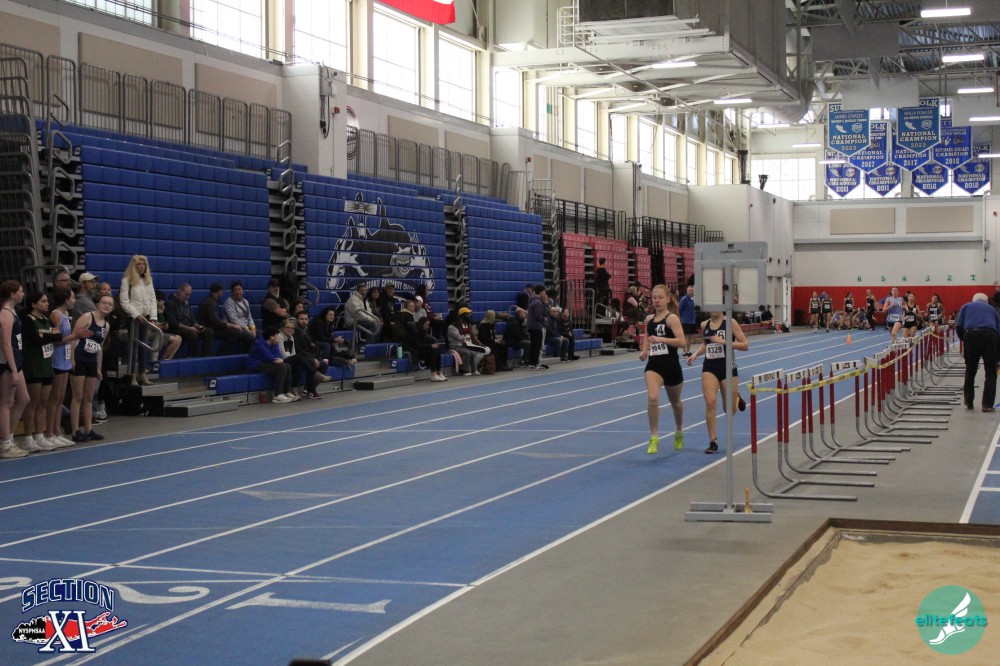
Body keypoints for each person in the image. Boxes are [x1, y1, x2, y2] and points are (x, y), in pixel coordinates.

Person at [687, 309, 749, 454]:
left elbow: (745, 345)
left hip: (728, 368)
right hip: (710, 367)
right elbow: (706, 343)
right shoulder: (704, 324)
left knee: (729, 410)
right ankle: (713, 441)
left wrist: (724, 341)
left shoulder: (730, 322)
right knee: (710, 402)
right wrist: (695, 354)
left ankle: (737, 398)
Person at [640, 285, 687, 454]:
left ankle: (679, 430)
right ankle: (654, 436)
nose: (657, 300)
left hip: (671, 366)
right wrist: (645, 350)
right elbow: (647, 336)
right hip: (654, 366)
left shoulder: (671, 318)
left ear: (668, 299)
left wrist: (662, 339)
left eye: (660, 297)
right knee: (653, 398)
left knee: (676, 403)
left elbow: (682, 342)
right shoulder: (649, 319)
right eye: (654, 297)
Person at [19, 292, 66, 451]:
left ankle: (40, 435)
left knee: (44, 402)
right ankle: (28, 438)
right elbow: (35, 339)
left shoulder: (46, 319)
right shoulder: (28, 320)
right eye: (43, 301)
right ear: (34, 304)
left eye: (47, 301)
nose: (47, 304)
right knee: (33, 402)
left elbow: (58, 336)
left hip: (46, 365)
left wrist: (45, 335)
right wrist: (49, 335)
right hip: (34, 364)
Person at [46, 287, 89, 447]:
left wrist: (71, 358)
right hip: (56, 358)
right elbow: (55, 340)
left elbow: (69, 340)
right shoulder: (56, 315)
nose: (74, 300)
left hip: (64, 359)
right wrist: (75, 336)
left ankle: (57, 431)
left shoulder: (65, 314)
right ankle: (50, 433)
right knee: (54, 398)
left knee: (60, 398)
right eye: (72, 298)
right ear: (65, 300)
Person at [69, 293, 113, 443]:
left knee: (89, 397)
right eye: (104, 303)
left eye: (109, 304)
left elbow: (99, 348)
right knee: (77, 396)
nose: (106, 306)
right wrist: (71, 359)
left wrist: (98, 368)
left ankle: (88, 429)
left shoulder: (106, 326)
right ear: (98, 305)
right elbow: (73, 337)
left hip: (91, 361)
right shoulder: (87, 317)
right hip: (79, 359)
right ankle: (75, 431)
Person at [0, 281, 32, 458]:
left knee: (24, 399)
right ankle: (5, 444)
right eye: (20, 291)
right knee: (6, 402)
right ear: (12, 294)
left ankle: (9, 438)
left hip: (16, 361)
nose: (23, 294)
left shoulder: (13, 312)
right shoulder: (5, 314)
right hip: (7, 363)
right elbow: (6, 343)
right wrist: (13, 370)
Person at [955, 293, 1000, 412]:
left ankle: (969, 402)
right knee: (991, 372)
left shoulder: (966, 306)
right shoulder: (992, 309)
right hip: (990, 335)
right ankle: (987, 405)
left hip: (971, 335)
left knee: (970, 370)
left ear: (973, 300)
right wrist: (997, 358)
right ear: (986, 302)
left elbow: (958, 326)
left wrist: (964, 339)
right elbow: (998, 332)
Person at [119, 254, 158, 385]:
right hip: (133, 318)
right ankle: (132, 375)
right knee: (134, 347)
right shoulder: (127, 280)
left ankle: (142, 373)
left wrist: (153, 317)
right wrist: (136, 314)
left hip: (145, 318)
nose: (141, 267)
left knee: (143, 346)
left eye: (143, 264)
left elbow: (153, 300)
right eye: (138, 264)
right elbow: (124, 301)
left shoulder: (148, 281)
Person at [199, 282, 253, 354]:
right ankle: (221, 353)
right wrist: (231, 325)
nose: (222, 293)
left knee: (248, 333)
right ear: (219, 291)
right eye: (221, 291)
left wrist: (253, 328)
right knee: (236, 333)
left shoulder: (210, 301)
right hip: (211, 329)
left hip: (211, 328)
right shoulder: (211, 303)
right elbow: (216, 322)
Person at [248, 326, 297, 403]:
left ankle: (286, 392)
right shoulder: (260, 344)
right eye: (277, 335)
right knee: (282, 367)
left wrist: (277, 359)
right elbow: (272, 359)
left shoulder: (274, 343)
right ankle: (278, 395)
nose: (279, 337)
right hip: (257, 365)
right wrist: (277, 360)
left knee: (287, 365)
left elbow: (278, 357)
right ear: (272, 337)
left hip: (267, 363)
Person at [165, 283, 214, 357]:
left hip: (187, 326)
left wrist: (197, 325)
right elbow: (172, 322)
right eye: (186, 294)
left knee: (209, 332)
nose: (188, 297)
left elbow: (191, 317)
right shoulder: (170, 303)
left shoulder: (186, 303)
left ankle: (205, 357)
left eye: (189, 295)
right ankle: (192, 356)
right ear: (180, 291)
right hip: (176, 328)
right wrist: (189, 328)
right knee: (192, 333)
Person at [447, 307, 488, 375]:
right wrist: (465, 337)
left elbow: (472, 337)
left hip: (460, 345)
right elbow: (458, 337)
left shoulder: (465, 325)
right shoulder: (451, 327)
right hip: (454, 346)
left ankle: (474, 370)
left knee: (471, 353)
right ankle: (464, 370)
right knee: (467, 353)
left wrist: (477, 342)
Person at [409, 316, 446, 381]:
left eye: (428, 325)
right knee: (433, 351)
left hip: (422, 349)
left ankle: (439, 372)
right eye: (426, 325)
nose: (428, 326)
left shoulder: (423, 331)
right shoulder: (414, 332)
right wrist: (431, 346)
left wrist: (433, 346)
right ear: (421, 324)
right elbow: (418, 346)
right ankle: (433, 374)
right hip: (415, 351)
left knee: (437, 350)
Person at [154, 290, 182, 361]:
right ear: (157, 300)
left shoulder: (159, 309)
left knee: (179, 338)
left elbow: (162, 325)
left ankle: (166, 361)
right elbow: (154, 325)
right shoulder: (151, 310)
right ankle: (160, 361)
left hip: (158, 332)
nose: (163, 304)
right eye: (162, 301)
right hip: (153, 332)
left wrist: (164, 324)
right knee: (176, 340)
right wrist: (160, 315)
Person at [526, 285, 547, 370]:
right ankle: (535, 363)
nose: (545, 294)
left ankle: (532, 363)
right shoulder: (538, 302)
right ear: (541, 292)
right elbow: (537, 315)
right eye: (544, 292)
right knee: (537, 346)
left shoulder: (531, 300)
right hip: (536, 326)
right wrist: (544, 319)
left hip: (531, 326)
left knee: (533, 345)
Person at [678, 285, 696, 356]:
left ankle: (688, 351)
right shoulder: (684, 299)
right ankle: (684, 352)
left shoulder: (694, 299)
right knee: (685, 336)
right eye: (689, 290)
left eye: (692, 290)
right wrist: (681, 318)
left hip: (692, 320)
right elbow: (679, 309)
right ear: (687, 291)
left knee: (690, 336)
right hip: (685, 320)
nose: (691, 292)